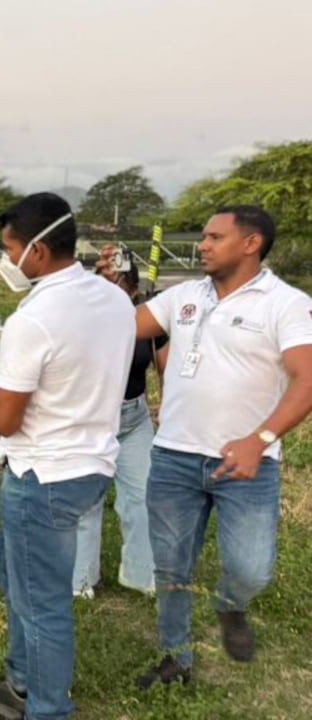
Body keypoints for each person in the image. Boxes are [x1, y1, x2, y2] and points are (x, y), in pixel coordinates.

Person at [124, 205, 312, 688]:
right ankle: (175, 659)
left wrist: (261, 439)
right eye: (203, 237)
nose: (202, 245)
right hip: (173, 457)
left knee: (251, 568)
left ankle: (232, 604)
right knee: (171, 566)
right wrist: (95, 295)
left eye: (214, 237)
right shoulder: (184, 295)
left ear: (251, 244)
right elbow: (123, 327)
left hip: (246, 464)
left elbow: (307, 379)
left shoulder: (285, 303)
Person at [0, 193, 134, 720]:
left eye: (9, 248)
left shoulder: (33, 319)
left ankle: (46, 708)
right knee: (11, 569)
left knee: (43, 604)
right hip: (91, 463)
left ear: (36, 250)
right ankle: (20, 679)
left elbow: (7, 419)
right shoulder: (111, 299)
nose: (6, 259)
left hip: (43, 473)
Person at [71, 261, 162, 599]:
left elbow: (164, 364)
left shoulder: (147, 321)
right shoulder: (80, 320)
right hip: (90, 418)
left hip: (134, 417)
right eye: (102, 283)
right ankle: (81, 579)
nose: (108, 291)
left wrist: (167, 402)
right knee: (86, 498)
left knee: (142, 496)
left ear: (134, 290)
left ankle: (141, 574)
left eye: (117, 284)